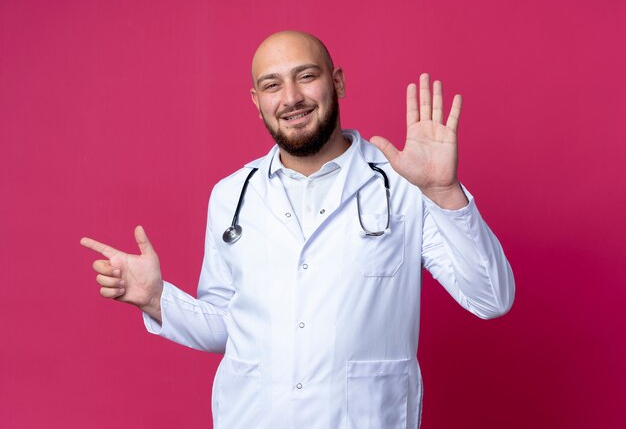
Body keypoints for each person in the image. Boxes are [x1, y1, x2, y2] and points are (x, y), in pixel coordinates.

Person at [81, 30, 514, 429]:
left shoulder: (405, 185)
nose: (291, 97)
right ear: (256, 100)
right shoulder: (232, 195)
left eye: (306, 76)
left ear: (338, 83)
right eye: (272, 85)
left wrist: (444, 191)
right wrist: (159, 300)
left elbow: (490, 299)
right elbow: (231, 329)